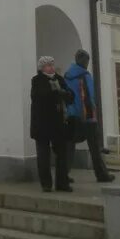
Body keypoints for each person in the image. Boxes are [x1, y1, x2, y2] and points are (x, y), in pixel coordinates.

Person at [64, 49, 115, 184]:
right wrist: (92, 113)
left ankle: (63, 174)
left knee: (69, 147)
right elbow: (89, 96)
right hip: (87, 117)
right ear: (82, 60)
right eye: (86, 60)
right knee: (95, 148)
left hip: (72, 116)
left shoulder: (67, 76)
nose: (87, 63)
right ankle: (102, 174)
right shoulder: (85, 76)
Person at [30, 56, 74, 193]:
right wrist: (56, 92)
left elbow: (70, 96)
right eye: (47, 65)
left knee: (62, 154)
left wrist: (65, 93)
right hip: (42, 123)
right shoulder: (37, 80)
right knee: (43, 155)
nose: (50, 67)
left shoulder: (59, 79)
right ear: (41, 68)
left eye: (51, 65)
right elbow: (39, 96)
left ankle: (62, 182)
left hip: (58, 123)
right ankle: (46, 184)